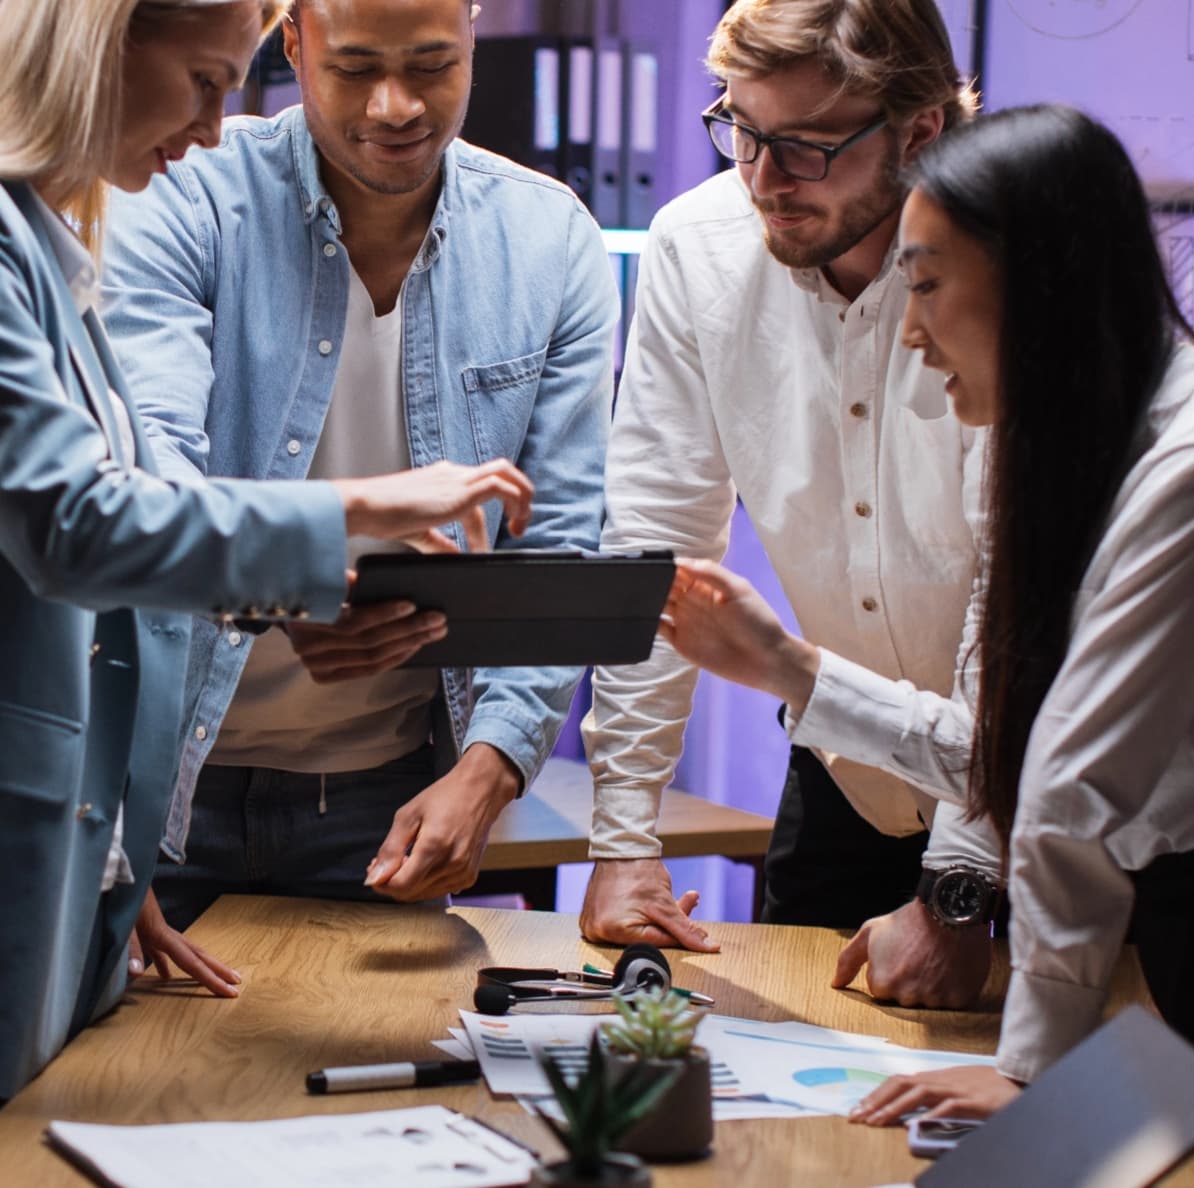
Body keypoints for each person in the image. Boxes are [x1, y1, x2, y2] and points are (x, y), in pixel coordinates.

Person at [660, 104, 1194, 1157]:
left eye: (927, 283)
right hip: (1135, 940)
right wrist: (790, 669)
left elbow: (1072, 780)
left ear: (1040, 280)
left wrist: (1030, 1071)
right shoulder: (1041, 450)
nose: (907, 329)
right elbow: (999, 747)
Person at [0, 0, 535, 1099]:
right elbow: (83, 526)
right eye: (204, 81)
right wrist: (356, 511)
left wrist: (112, 837)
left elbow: (127, 575)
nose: (212, 129)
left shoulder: (58, 241)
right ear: (100, 44)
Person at [101, 0, 617, 943]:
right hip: (158, 779)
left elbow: (565, 543)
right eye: (354, 68)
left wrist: (492, 767)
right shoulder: (184, 192)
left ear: (471, 38)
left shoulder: (549, 242)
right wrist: (284, 582)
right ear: (291, 44)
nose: (394, 106)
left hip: (380, 794)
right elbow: (150, 472)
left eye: (430, 65)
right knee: (132, 1080)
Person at [580, 0, 1001, 1010]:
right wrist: (624, 834)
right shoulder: (698, 245)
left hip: (1020, 807)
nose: (762, 182)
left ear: (921, 132)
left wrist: (956, 895)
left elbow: (1016, 620)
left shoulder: (1006, 264)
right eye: (740, 129)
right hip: (842, 772)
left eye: (806, 149)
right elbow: (657, 541)